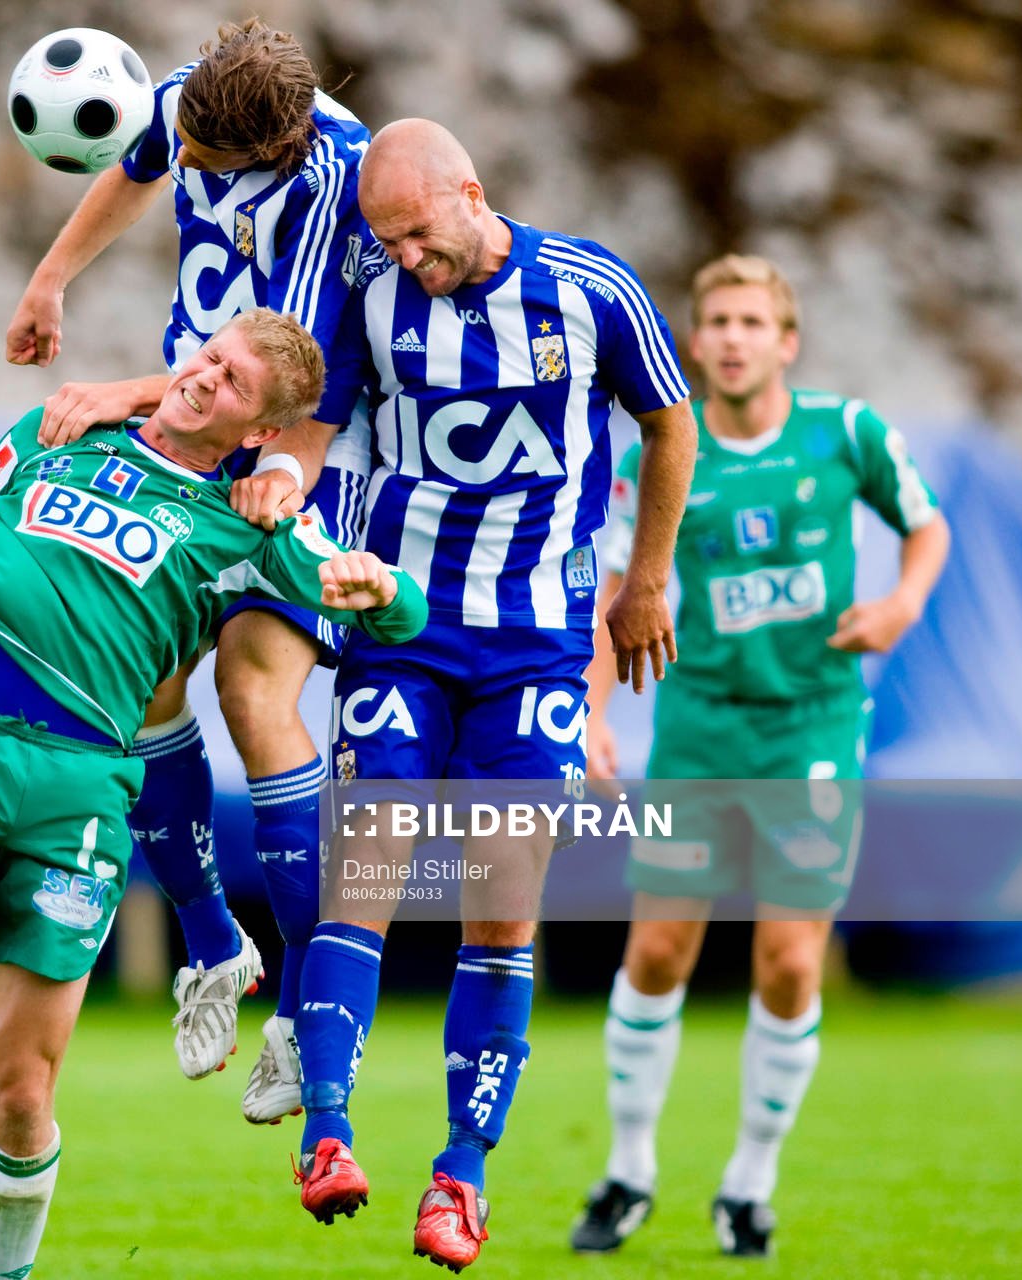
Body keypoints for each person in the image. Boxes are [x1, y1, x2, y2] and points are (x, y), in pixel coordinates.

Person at [0, 309, 427, 1280]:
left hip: (78, 799)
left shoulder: (250, 518)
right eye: (206, 356)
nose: (201, 378)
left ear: (261, 431)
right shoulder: (49, 436)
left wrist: (369, 582)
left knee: (20, 1095)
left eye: (230, 383)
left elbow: (402, 615)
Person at [235, 119, 696, 1268]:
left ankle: (461, 1174)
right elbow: (314, 425)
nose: (404, 257)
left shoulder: (591, 288)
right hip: (398, 623)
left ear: (471, 194)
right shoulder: (370, 290)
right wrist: (283, 475)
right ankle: (328, 1134)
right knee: (369, 867)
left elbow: (668, 419)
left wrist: (643, 580)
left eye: (417, 233)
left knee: (501, 898)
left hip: (536, 641)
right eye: (384, 238)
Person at [7, 16, 374, 1119]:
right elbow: (135, 167)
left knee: (252, 689)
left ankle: (307, 1015)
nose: (190, 176)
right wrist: (50, 279)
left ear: (281, 144)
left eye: (216, 169)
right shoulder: (196, 95)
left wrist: (120, 393)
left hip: (296, 434)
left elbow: (276, 378)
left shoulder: (335, 188)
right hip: (189, 419)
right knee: (142, 680)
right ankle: (214, 944)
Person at [569, 254, 949, 1258]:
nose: (732, 336)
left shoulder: (847, 431)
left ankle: (749, 1180)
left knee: (786, 958)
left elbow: (926, 527)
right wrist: (595, 714)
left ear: (785, 342)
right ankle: (629, 1166)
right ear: (693, 343)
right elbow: (617, 594)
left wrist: (901, 605)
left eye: (751, 320)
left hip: (813, 726)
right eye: (717, 321)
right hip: (700, 728)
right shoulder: (663, 448)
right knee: (656, 951)